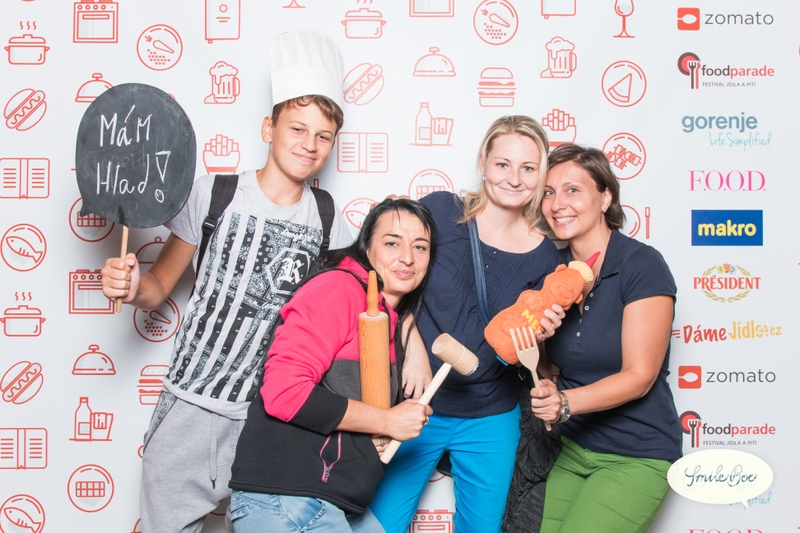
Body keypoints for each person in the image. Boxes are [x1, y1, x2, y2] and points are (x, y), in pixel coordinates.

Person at [99, 29, 353, 533]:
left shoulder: (329, 221)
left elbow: (343, 318)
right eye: (297, 128)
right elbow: (158, 285)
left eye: (323, 136)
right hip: (188, 408)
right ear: (268, 127)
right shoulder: (215, 193)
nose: (309, 144)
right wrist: (130, 288)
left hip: (267, 421)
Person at [368, 115, 565, 533]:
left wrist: (538, 338)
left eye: (528, 168)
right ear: (482, 162)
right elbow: (390, 281)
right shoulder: (440, 211)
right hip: (418, 403)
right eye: (503, 164)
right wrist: (412, 345)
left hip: (490, 414)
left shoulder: (546, 256)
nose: (514, 178)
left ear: (541, 174)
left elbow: (521, 348)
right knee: (378, 526)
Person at [228, 198, 437, 532]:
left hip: (334, 504)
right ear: (366, 246)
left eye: (420, 247)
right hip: (289, 500)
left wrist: (379, 430)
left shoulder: (388, 317)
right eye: (392, 243)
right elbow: (284, 392)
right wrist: (387, 420)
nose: (408, 258)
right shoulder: (338, 289)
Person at [530, 144, 681, 533]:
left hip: (635, 454)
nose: (557, 204)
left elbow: (639, 376)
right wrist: (540, 344)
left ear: (606, 197)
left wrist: (565, 403)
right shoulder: (556, 275)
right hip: (572, 448)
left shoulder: (641, 264)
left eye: (573, 190)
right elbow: (555, 367)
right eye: (549, 192)